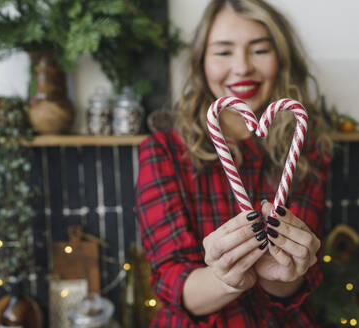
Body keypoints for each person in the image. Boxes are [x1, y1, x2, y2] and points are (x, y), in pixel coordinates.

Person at [135, 0, 332, 326]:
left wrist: (282, 272)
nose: (242, 68)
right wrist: (226, 279)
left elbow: (298, 280)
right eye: (223, 52)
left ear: (282, 59)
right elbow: (171, 281)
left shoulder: (305, 150)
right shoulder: (163, 152)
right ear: (201, 64)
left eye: (259, 50)